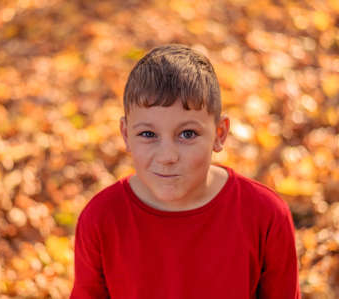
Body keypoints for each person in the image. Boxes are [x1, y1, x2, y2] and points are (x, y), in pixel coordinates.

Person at [70, 44, 301, 299]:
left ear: (219, 133)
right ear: (126, 134)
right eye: (148, 134)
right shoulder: (101, 218)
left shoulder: (265, 214)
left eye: (187, 134)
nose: (168, 157)